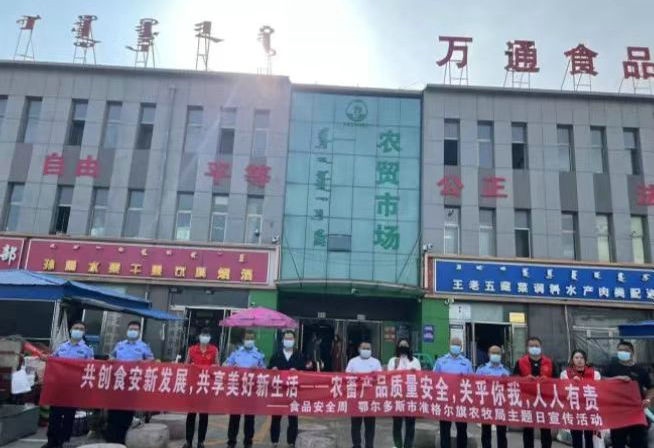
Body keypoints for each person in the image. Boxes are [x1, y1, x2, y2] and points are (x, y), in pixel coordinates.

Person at [42, 321, 94, 448]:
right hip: (59, 386)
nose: (78, 330)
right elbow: (53, 359)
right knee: (55, 414)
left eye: (81, 329)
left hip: (73, 388)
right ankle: (51, 441)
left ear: (84, 332)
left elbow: (91, 367)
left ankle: (62, 441)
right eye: (76, 328)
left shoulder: (87, 350)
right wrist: (47, 358)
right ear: (71, 330)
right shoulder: (62, 347)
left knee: (68, 416)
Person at [105, 321, 154, 444]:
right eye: (131, 329)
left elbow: (151, 360)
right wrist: (111, 359)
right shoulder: (120, 345)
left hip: (132, 384)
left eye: (135, 329)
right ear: (127, 330)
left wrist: (142, 362)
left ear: (139, 332)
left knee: (126, 414)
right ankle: (110, 440)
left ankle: (121, 441)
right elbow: (111, 357)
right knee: (113, 412)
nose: (133, 331)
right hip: (117, 383)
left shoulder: (143, 346)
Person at [603, 340, 653, 448]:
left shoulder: (640, 370)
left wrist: (648, 399)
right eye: (620, 350)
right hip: (618, 412)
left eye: (626, 350)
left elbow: (651, 388)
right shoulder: (611, 367)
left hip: (636, 411)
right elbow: (601, 381)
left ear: (632, 353)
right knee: (618, 441)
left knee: (639, 442)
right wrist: (617, 378)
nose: (622, 352)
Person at [268, 330, 310, 448]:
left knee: (293, 418)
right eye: (286, 338)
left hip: (293, 391)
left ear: (294, 340)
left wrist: (298, 371)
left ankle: (291, 442)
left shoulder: (299, 355)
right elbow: (268, 370)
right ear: (282, 340)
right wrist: (272, 370)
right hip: (279, 391)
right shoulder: (276, 355)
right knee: (276, 418)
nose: (288, 341)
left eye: (290, 338)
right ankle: (274, 441)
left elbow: (306, 372)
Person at [224, 330, 265, 448]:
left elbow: (265, 371)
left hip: (251, 390)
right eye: (247, 338)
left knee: (249, 418)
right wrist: (232, 367)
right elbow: (225, 366)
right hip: (236, 389)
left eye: (251, 338)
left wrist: (258, 369)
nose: (249, 340)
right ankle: (231, 442)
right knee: (234, 418)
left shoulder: (259, 354)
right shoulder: (236, 353)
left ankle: (248, 442)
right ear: (243, 340)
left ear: (254, 340)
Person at [513, 337, 555, 448]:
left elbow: (557, 380)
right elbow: (514, 379)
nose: (534, 348)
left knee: (546, 430)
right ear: (527, 348)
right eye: (531, 346)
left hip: (545, 400)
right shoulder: (520, 362)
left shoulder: (549, 362)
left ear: (541, 347)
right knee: (528, 429)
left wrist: (548, 380)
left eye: (536, 346)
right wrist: (525, 379)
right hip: (527, 400)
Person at [433, 336, 473, 448]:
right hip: (445, 400)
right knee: (445, 430)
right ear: (449, 345)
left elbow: (472, 381)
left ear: (461, 347)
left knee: (462, 430)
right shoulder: (441, 361)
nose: (455, 346)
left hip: (461, 401)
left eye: (457, 344)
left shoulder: (466, 363)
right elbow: (433, 379)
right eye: (453, 344)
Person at [183, 328, 219, 448]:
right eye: (203, 334)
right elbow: (186, 365)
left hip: (206, 386)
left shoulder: (214, 350)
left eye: (207, 335)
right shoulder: (192, 349)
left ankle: (201, 441)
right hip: (193, 386)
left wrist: (214, 367)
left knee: (204, 415)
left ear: (210, 337)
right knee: (191, 414)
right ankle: (188, 441)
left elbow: (218, 366)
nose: (205, 337)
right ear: (199, 336)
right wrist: (190, 366)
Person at [558, 350, 600, 448]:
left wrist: (582, 382)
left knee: (589, 437)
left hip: (590, 409)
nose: (579, 360)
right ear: (572, 360)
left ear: (585, 360)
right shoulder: (565, 374)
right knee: (576, 436)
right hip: (574, 410)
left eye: (582, 358)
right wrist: (571, 382)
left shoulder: (595, 374)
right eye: (576, 358)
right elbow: (563, 392)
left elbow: (598, 390)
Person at [346, 341, 382, 448]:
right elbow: (346, 377)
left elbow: (380, 378)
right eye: (364, 348)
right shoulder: (353, 362)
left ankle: (369, 445)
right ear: (359, 349)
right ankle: (356, 445)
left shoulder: (376, 362)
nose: (366, 350)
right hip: (356, 397)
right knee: (355, 424)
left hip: (370, 398)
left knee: (370, 425)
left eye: (368, 348)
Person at [387, 339, 421, 448]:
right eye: (401, 345)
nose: (403, 347)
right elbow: (388, 377)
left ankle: (408, 446)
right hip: (397, 396)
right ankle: (398, 445)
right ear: (398, 347)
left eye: (405, 345)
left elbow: (420, 378)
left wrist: (415, 373)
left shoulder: (415, 361)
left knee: (410, 425)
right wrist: (396, 366)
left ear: (409, 347)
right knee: (397, 424)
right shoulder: (393, 360)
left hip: (411, 396)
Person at [475, 345, 510, 448]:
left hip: (501, 404)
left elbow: (510, 388)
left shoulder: (506, 371)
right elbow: (475, 385)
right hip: (487, 404)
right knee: (486, 432)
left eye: (498, 353)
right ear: (488, 354)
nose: (495, 355)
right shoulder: (481, 369)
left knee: (502, 432)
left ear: (501, 355)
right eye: (493, 353)